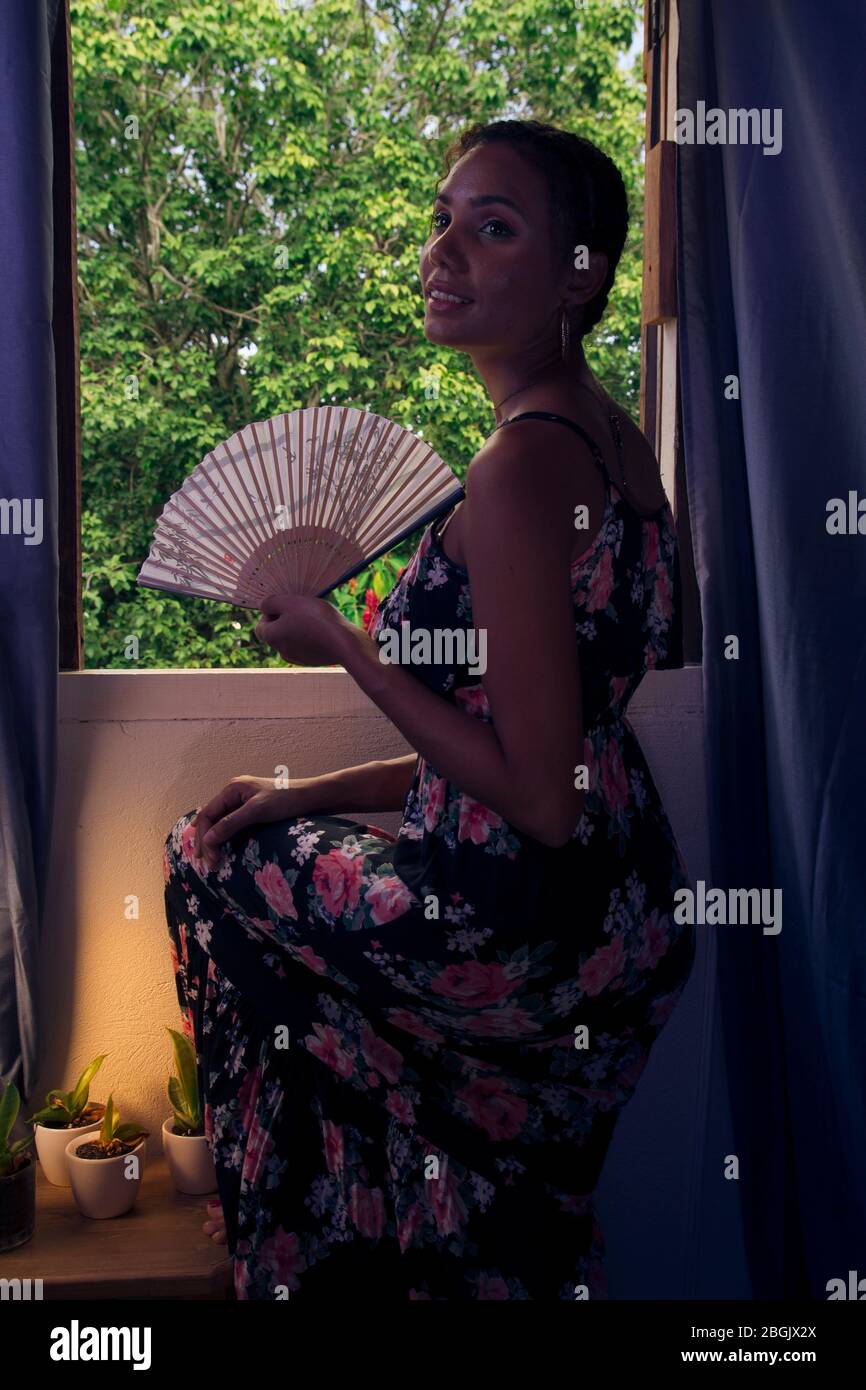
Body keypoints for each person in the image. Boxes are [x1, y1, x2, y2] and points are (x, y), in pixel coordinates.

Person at [163, 118, 696, 1301]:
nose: (442, 251)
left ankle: (312, 1239)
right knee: (255, 834)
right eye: (441, 219)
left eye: (491, 226)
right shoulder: (612, 440)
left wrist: (340, 640)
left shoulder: (518, 471)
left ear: (578, 274)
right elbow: (542, 739)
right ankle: (420, 1244)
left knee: (200, 865)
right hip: (619, 908)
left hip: (516, 926)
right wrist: (305, 793)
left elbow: (536, 800)